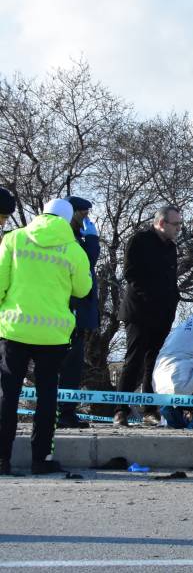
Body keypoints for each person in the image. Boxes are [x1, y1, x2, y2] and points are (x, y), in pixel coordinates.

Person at [0, 199, 92, 476]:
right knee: (48, 397)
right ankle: (41, 458)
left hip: (14, 329)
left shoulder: (13, 239)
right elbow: (83, 289)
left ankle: (2, 459)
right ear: (66, 220)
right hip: (53, 334)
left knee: (8, 395)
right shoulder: (74, 249)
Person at [115, 204, 181, 427]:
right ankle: (120, 410)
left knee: (154, 362)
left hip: (163, 314)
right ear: (161, 223)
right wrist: (150, 297)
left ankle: (149, 410)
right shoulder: (140, 240)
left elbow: (170, 279)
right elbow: (130, 273)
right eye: (175, 224)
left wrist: (173, 299)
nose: (178, 229)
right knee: (134, 360)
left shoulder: (171, 247)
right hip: (140, 311)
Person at [56, 196, 101, 429]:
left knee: (73, 366)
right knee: (66, 365)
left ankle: (67, 411)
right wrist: (92, 240)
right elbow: (87, 262)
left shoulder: (75, 237)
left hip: (77, 312)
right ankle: (63, 413)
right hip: (67, 311)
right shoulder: (68, 239)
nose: (86, 219)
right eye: (81, 214)